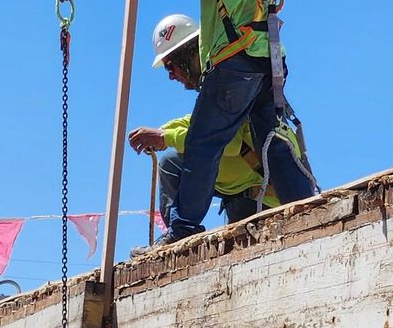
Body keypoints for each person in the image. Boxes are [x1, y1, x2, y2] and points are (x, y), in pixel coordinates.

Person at [126, 0, 314, 246]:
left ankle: (183, 228)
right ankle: (307, 207)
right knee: (271, 141)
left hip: (236, 59)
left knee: (202, 143)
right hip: (265, 55)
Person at [128, 14, 299, 231]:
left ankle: (182, 230)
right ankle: (178, 231)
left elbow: (229, 142)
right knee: (172, 161)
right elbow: (200, 124)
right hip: (239, 197)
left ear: (188, 56)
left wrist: (166, 138)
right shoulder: (216, 82)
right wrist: (165, 131)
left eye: (171, 66)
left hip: (260, 198)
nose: (171, 76)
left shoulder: (230, 78)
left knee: (177, 159)